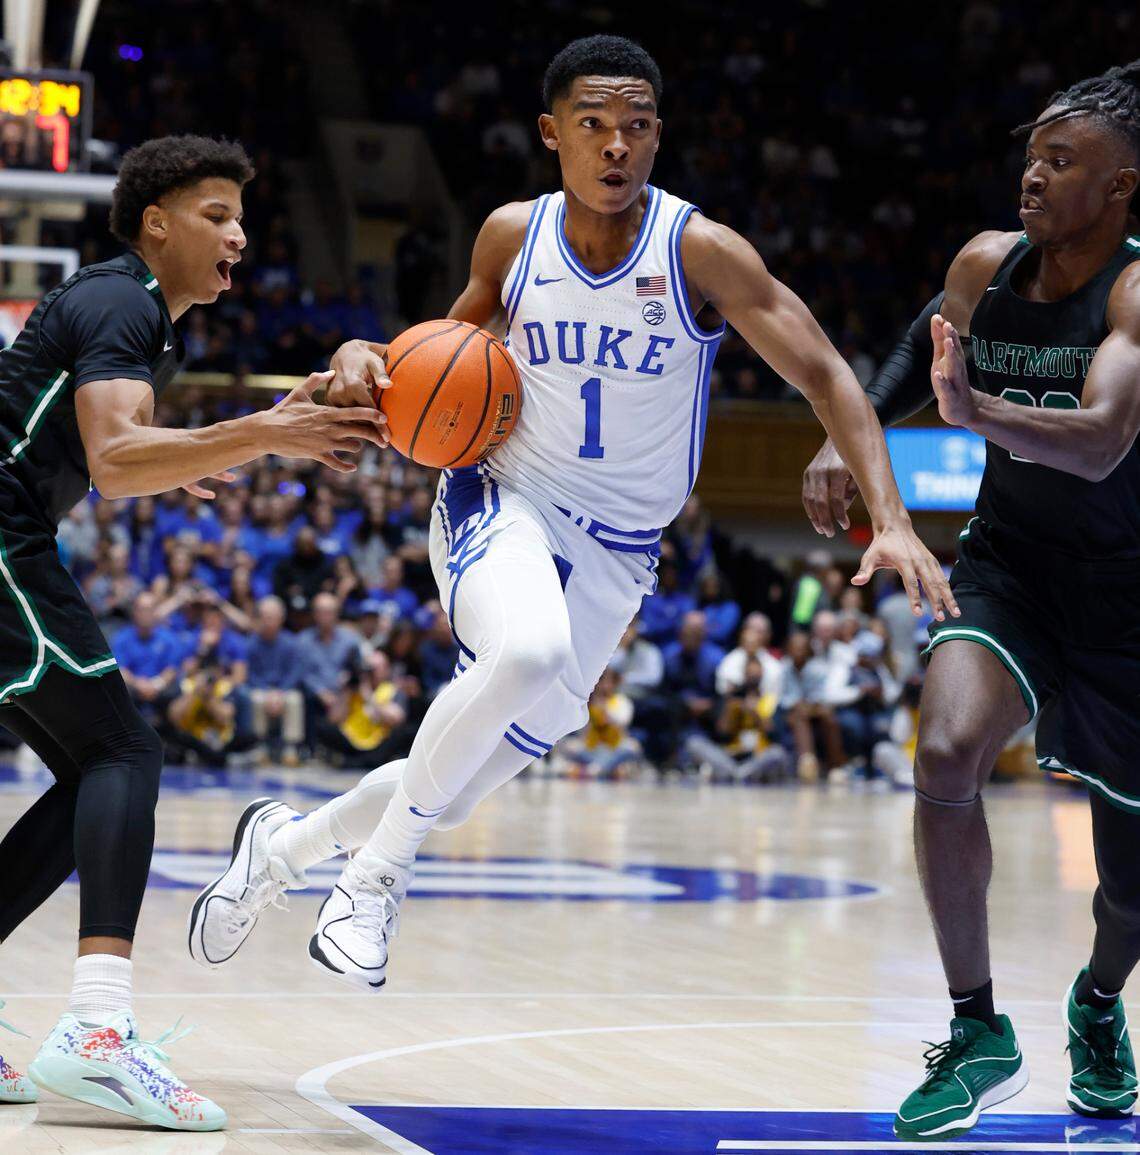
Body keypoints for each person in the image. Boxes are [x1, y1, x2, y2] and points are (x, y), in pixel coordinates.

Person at [189, 36, 954, 994]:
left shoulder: (700, 250)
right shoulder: (514, 236)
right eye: (593, 125)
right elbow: (443, 349)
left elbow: (827, 374)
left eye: (635, 126)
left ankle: (285, 847)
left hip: (622, 557)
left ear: (657, 136)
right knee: (527, 656)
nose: (615, 145)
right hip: (504, 495)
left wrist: (890, 513)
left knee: (455, 789)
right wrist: (360, 349)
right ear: (554, 134)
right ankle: (373, 882)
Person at [0, 134, 387, 1129]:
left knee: (98, 767)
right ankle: (94, 1032)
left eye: (244, 218)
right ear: (157, 223)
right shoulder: (123, 300)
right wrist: (265, 430)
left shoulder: (132, 315)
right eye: (218, 215)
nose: (240, 235)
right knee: (123, 750)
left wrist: (223, 442)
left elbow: (124, 453)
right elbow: (119, 457)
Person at [808, 61, 1140, 1137]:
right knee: (946, 753)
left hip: (1128, 601)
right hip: (1008, 567)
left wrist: (977, 411)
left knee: (1130, 893)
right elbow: (920, 346)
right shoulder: (985, 263)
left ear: (1121, 187)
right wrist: (844, 430)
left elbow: (1099, 444)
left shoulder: (1135, 294)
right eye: (1031, 157)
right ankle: (977, 1027)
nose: (1033, 177)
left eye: (1061, 161)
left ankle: (1096, 1005)